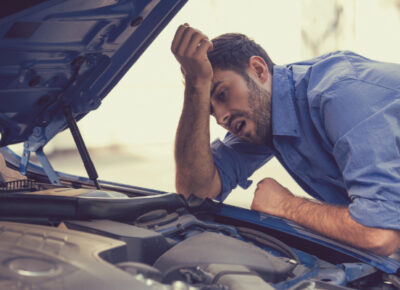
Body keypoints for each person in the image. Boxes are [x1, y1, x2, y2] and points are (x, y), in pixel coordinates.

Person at [171, 23, 400, 256]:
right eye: (211, 111)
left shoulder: (341, 96)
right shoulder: (266, 117)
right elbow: (195, 193)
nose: (221, 117)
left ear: (258, 70)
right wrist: (195, 87)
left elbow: (379, 233)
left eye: (222, 94)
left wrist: (286, 206)